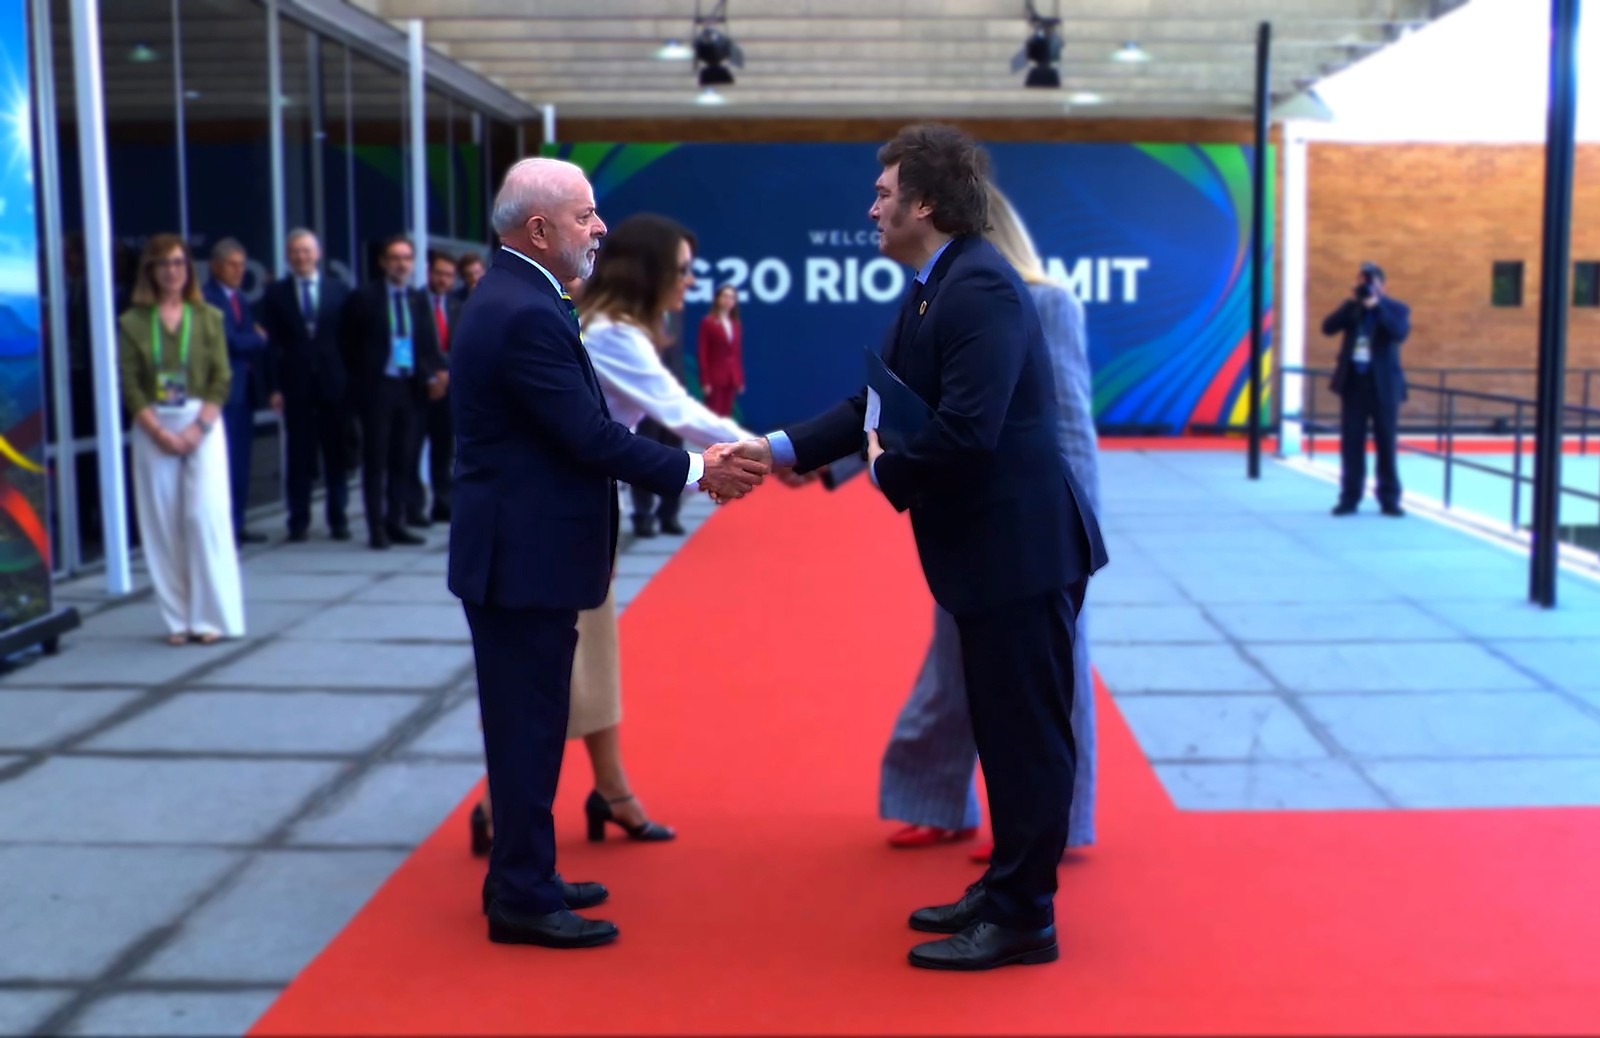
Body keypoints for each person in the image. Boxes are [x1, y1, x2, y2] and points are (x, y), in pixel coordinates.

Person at [737, 124, 1107, 971]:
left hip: (1020, 554)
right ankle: (1007, 888)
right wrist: (776, 448)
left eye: (883, 194)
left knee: (1025, 738)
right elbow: (874, 404)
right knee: (1002, 728)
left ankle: (1025, 916)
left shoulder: (981, 289)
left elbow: (967, 433)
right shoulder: (939, 286)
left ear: (926, 204)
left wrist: (883, 469)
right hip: (991, 555)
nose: (872, 209)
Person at [448, 156, 766, 949]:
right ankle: (522, 896)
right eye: (586, 215)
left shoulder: (522, 295)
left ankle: (525, 873)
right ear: (539, 229)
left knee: (533, 724)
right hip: (522, 560)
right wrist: (697, 470)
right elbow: (588, 436)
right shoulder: (524, 310)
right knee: (526, 731)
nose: (600, 229)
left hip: (527, 554)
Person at [879, 181, 1101, 863]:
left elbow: (1071, 424)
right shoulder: (936, 304)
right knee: (954, 663)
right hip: (968, 515)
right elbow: (906, 410)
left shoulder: (1046, 302)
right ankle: (937, 800)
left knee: (1052, 679)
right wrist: (817, 461)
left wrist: (1076, 533)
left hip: (1036, 529)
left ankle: (1056, 823)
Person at [117, 235, 245, 645]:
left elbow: (221, 378)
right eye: (163, 264)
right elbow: (130, 385)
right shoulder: (133, 322)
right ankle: (178, 620)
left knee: (203, 517)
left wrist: (196, 430)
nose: (172, 271)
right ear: (150, 270)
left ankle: (210, 617)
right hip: (153, 425)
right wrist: (158, 432)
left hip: (201, 421)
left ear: (188, 268)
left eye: (178, 262)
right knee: (163, 523)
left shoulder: (208, 317)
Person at [339, 235, 447, 549]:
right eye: (395, 258)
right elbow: (347, 344)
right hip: (377, 388)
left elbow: (427, 344)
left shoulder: (416, 299)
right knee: (376, 459)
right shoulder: (364, 298)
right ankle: (376, 527)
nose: (401, 264)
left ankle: (396, 521)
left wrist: (435, 374)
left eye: (406, 258)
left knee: (404, 458)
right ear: (383, 262)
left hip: (409, 388)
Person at [259, 229, 352, 542]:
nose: (301, 256)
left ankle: (338, 518)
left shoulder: (339, 290)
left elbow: (350, 338)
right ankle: (298, 521)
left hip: (333, 383)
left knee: (335, 453)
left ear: (318, 254)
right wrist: (273, 387)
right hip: (295, 384)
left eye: (307, 250)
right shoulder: (276, 293)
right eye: (295, 251)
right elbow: (270, 345)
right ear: (288, 256)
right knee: (298, 455)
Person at [1325, 261, 1410, 517]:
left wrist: (1377, 306)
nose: (1364, 287)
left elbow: (1399, 333)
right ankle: (1349, 498)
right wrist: (1352, 305)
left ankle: (1389, 499)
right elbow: (1327, 328)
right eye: (1361, 282)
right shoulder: (1351, 308)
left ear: (1383, 286)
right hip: (1354, 386)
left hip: (1384, 388)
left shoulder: (1396, 308)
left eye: (1369, 283)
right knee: (1351, 444)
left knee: (1386, 443)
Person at [201, 238, 269, 544]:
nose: (240, 270)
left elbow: (243, 342)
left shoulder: (239, 298)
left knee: (241, 463)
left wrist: (251, 340)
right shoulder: (208, 298)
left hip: (244, 392)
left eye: (242, 265)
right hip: (223, 394)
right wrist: (258, 338)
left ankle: (238, 523)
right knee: (222, 463)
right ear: (215, 266)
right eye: (232, 264)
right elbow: (232, 342)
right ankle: (222, 527)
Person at [630, 308, 688, 538]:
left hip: (673, 397)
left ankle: (669, 515)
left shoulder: (675, 314)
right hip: (646, 398)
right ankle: (643, 516)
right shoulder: (637, 312)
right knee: (644, 455)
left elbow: (676, 356)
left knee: (675, 453)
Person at [411, 250, 460, 524]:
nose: (443, 280)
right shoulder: (413, 303)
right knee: (411, 450)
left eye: (448, 275)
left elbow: (462, 346)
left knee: (444, 450)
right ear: (429, 273)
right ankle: (413, 508)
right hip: (417, 389)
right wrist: (430, 377)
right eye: (439, 273)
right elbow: (408, 345)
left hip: (448, 390)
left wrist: (447, 375)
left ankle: (443, 504)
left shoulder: (456, 307)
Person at [697, 283, 744, 416]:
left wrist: (739, 378)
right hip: (715, 378)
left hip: (730, 377)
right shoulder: (708, 322)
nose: (728, 300)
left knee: (726, 415)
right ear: (717, 299)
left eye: (732, 297)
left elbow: (736, 353)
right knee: (713, 415)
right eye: (725, 296)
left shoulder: (735, 324)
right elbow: (703, 353)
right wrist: (705, 380)